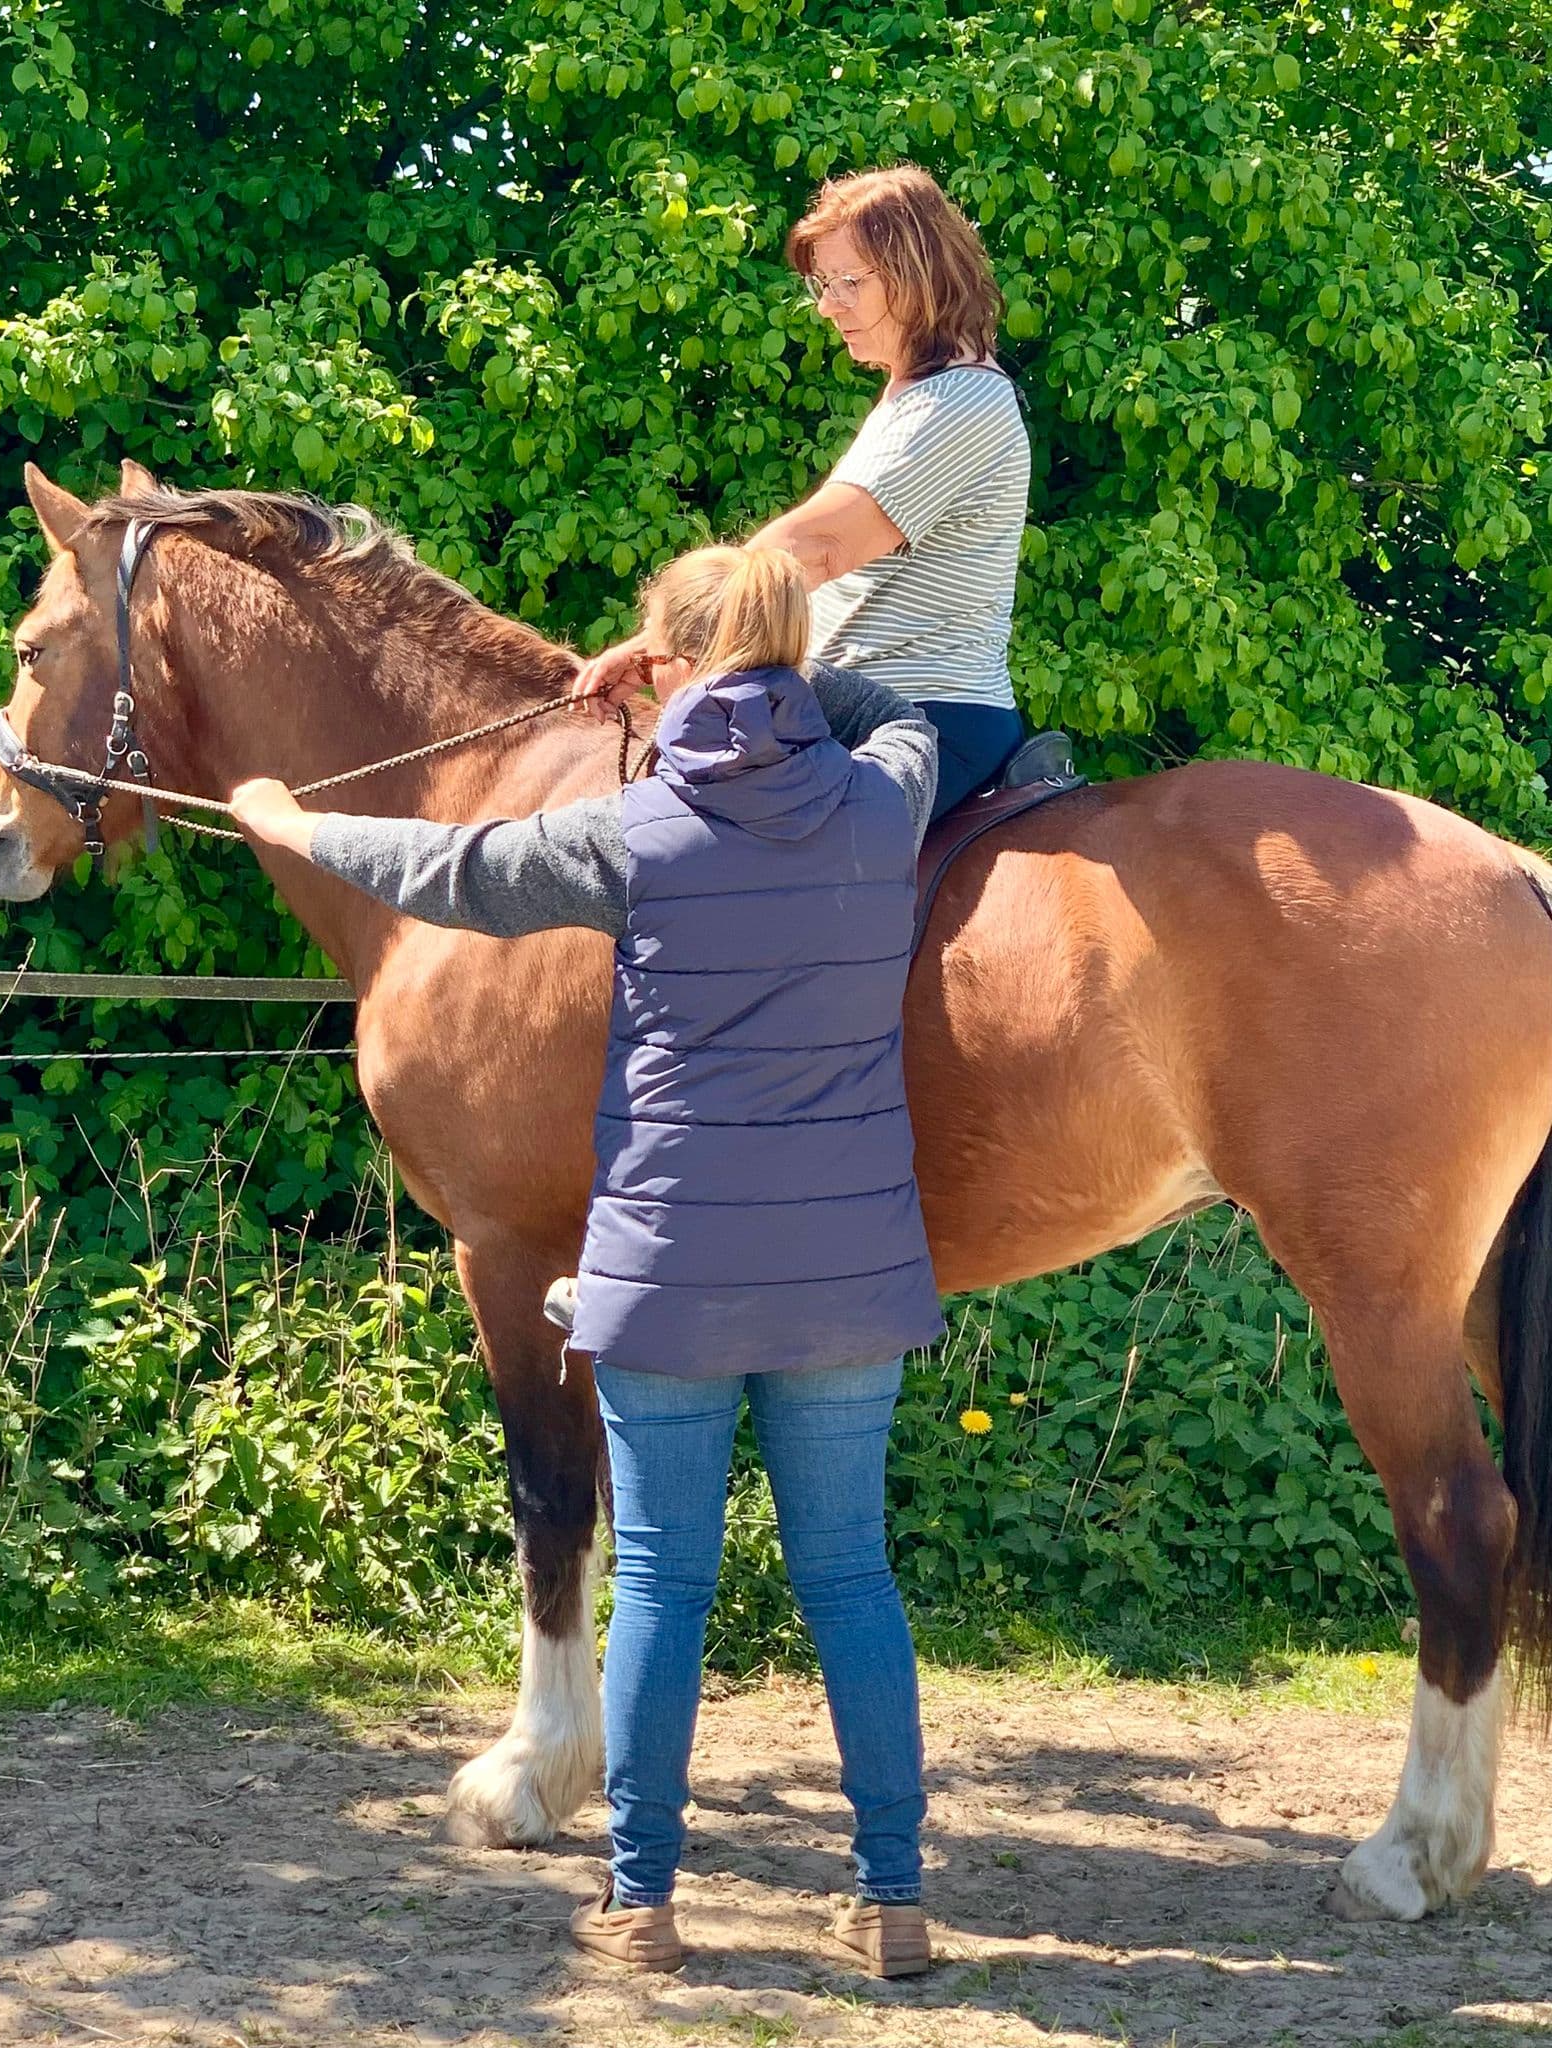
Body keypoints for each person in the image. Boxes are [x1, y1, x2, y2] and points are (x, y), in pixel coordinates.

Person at [229, 543, 946, 1979]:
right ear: (787, 654)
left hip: (672, 1266)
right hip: (850, 1276)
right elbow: (896, 711)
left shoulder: (634, 831)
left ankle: (645, 1906)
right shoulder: (890, 798)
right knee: (854, 1582)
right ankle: (890, 1901)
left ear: (670, 665)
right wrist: (784, 664)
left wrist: (292, 825)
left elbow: (450, 868)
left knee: (665, 1586)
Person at [576, 164, 1031, 823]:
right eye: (824, 282)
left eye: (851, 281)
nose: (827, 304)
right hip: (862, 705)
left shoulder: (959, 404)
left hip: (917, 719)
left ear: (920, 276)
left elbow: (812, 550)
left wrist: (659, 638)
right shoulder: (924, 394)